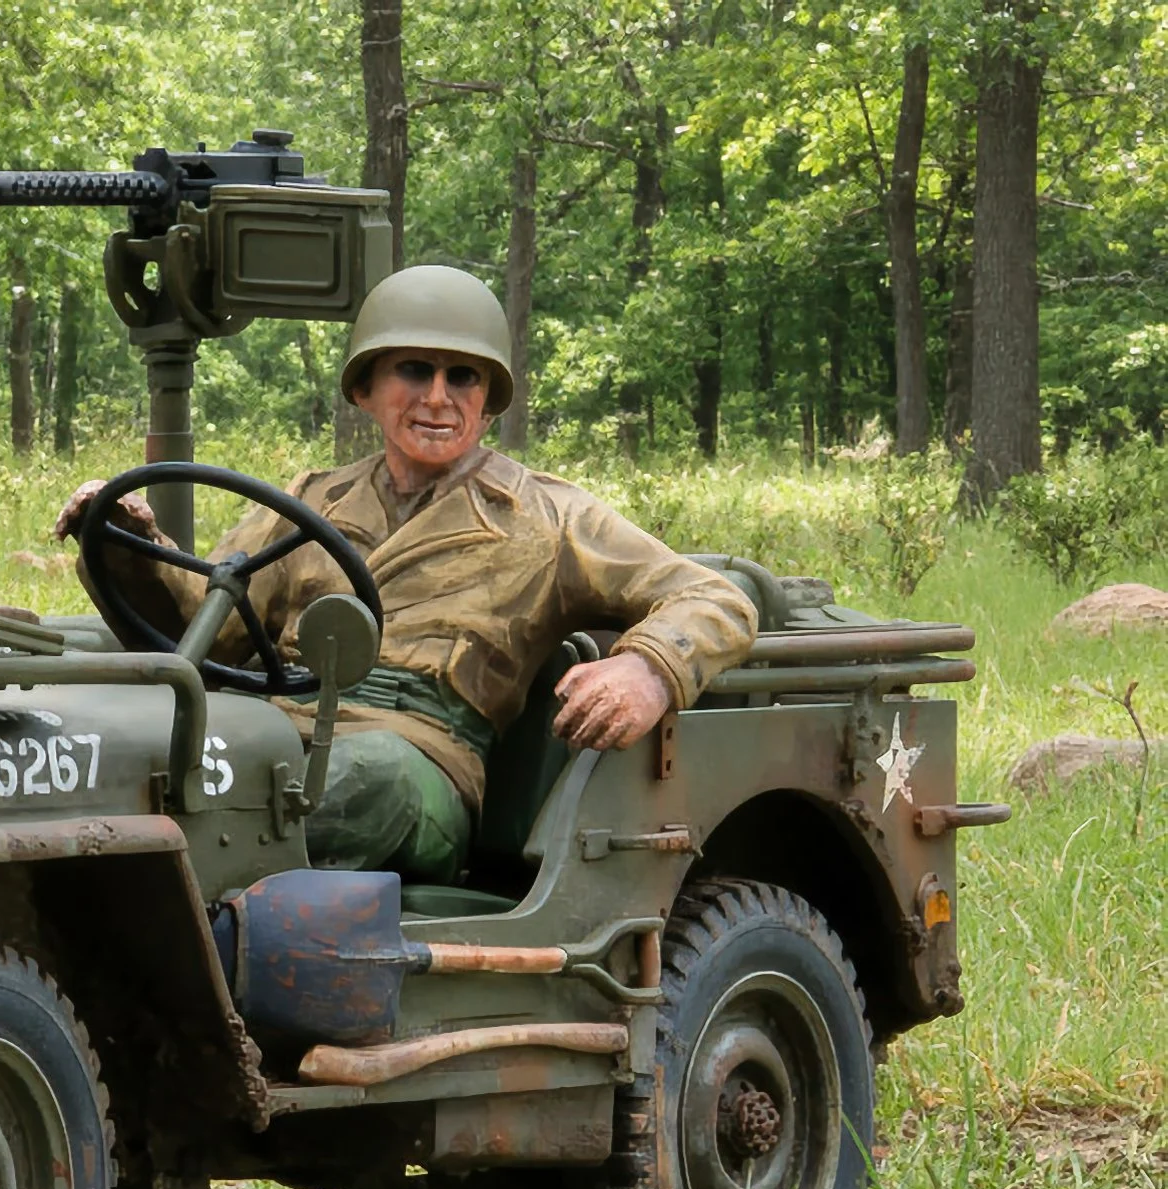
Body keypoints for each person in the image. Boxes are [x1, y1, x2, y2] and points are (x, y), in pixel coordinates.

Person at [54, 264, 760, 881]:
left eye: (463, 377)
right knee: (135, 754)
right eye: (415, 371)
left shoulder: (548, 517)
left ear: (488, 398)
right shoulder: (312, 500)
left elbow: (714, 598)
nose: (438, 398)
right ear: (366, 388)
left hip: (423, 757)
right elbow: (206, 628)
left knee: (361, 783)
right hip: (278, 723)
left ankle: (170, 891)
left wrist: (647, 669)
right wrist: (125, 541)